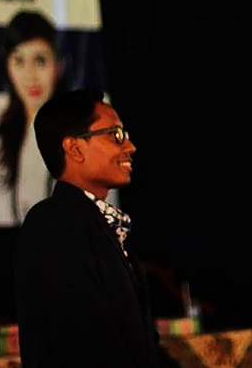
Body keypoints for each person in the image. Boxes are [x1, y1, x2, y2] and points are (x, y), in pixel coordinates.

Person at [13, 89, 178, 367]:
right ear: (75, 149)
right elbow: (86, 342)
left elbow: (143, 345)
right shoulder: (53, 222)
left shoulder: (102, 225)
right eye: (116, 135)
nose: (130, 146)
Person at [0, 9, 68, 223]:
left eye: (40, 60)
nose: (30, 75)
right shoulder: (7, 132)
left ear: (59, 66)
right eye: (19, 61)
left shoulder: (79, 133)